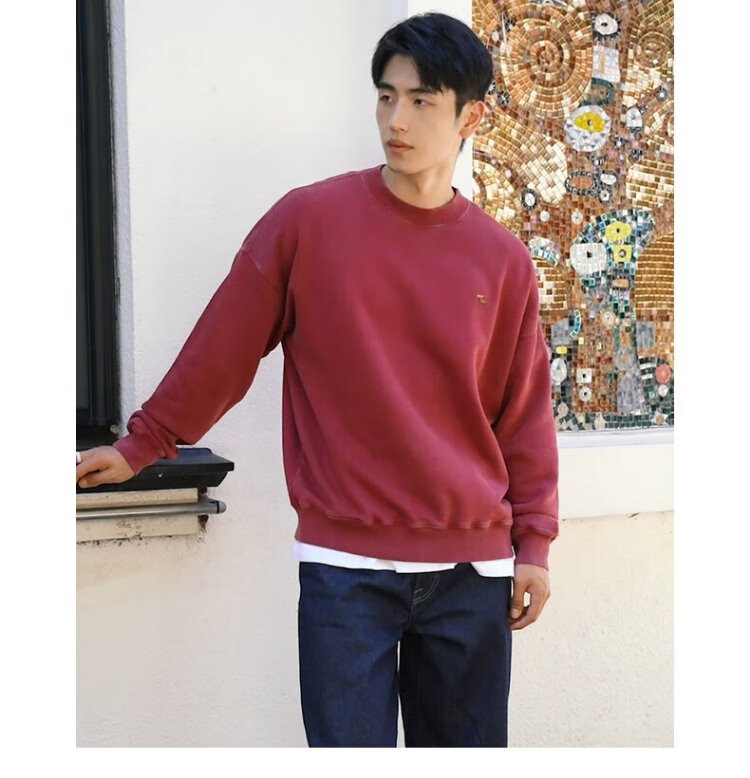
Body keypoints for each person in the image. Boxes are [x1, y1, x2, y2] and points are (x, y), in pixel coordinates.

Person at [75, 12, 559, 747]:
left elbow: (523, 417)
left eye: (421, 100)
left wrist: (535, 546)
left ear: (471, 117)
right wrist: (143, 444)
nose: (396, 120)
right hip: (346, 569)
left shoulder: (503, 260)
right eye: (385, 96)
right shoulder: (308, 223)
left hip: (472, 569)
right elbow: (223, 350)